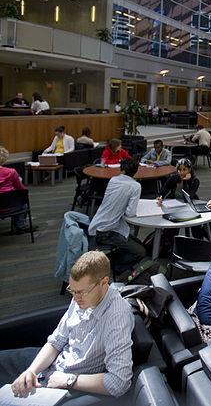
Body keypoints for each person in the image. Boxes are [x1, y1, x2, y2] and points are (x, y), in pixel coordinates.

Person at [0, 251, 134, 404]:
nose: (76, 298)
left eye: (81, 292)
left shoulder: (117, 317)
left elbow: (119, 382)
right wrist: (31, 371)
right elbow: (56, 342)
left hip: (72, 381)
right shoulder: (81, 297)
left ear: (104, 282)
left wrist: (69, 380)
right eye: (72, 290)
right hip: (52, 364)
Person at [77, 158, 146, 274]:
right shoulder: (135, 186)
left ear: (121, 169)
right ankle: (116, 266)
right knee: (141, 251)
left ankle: (113, 259)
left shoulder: (113, 180)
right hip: (107, 233)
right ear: (136, 171)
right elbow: (130, 213)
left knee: (136, 241)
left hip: (95, 225)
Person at [0, 146, 32, 234]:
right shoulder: (11, 172)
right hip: (11, 205)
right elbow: (21, 188)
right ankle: (20, 225)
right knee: (22, 203)